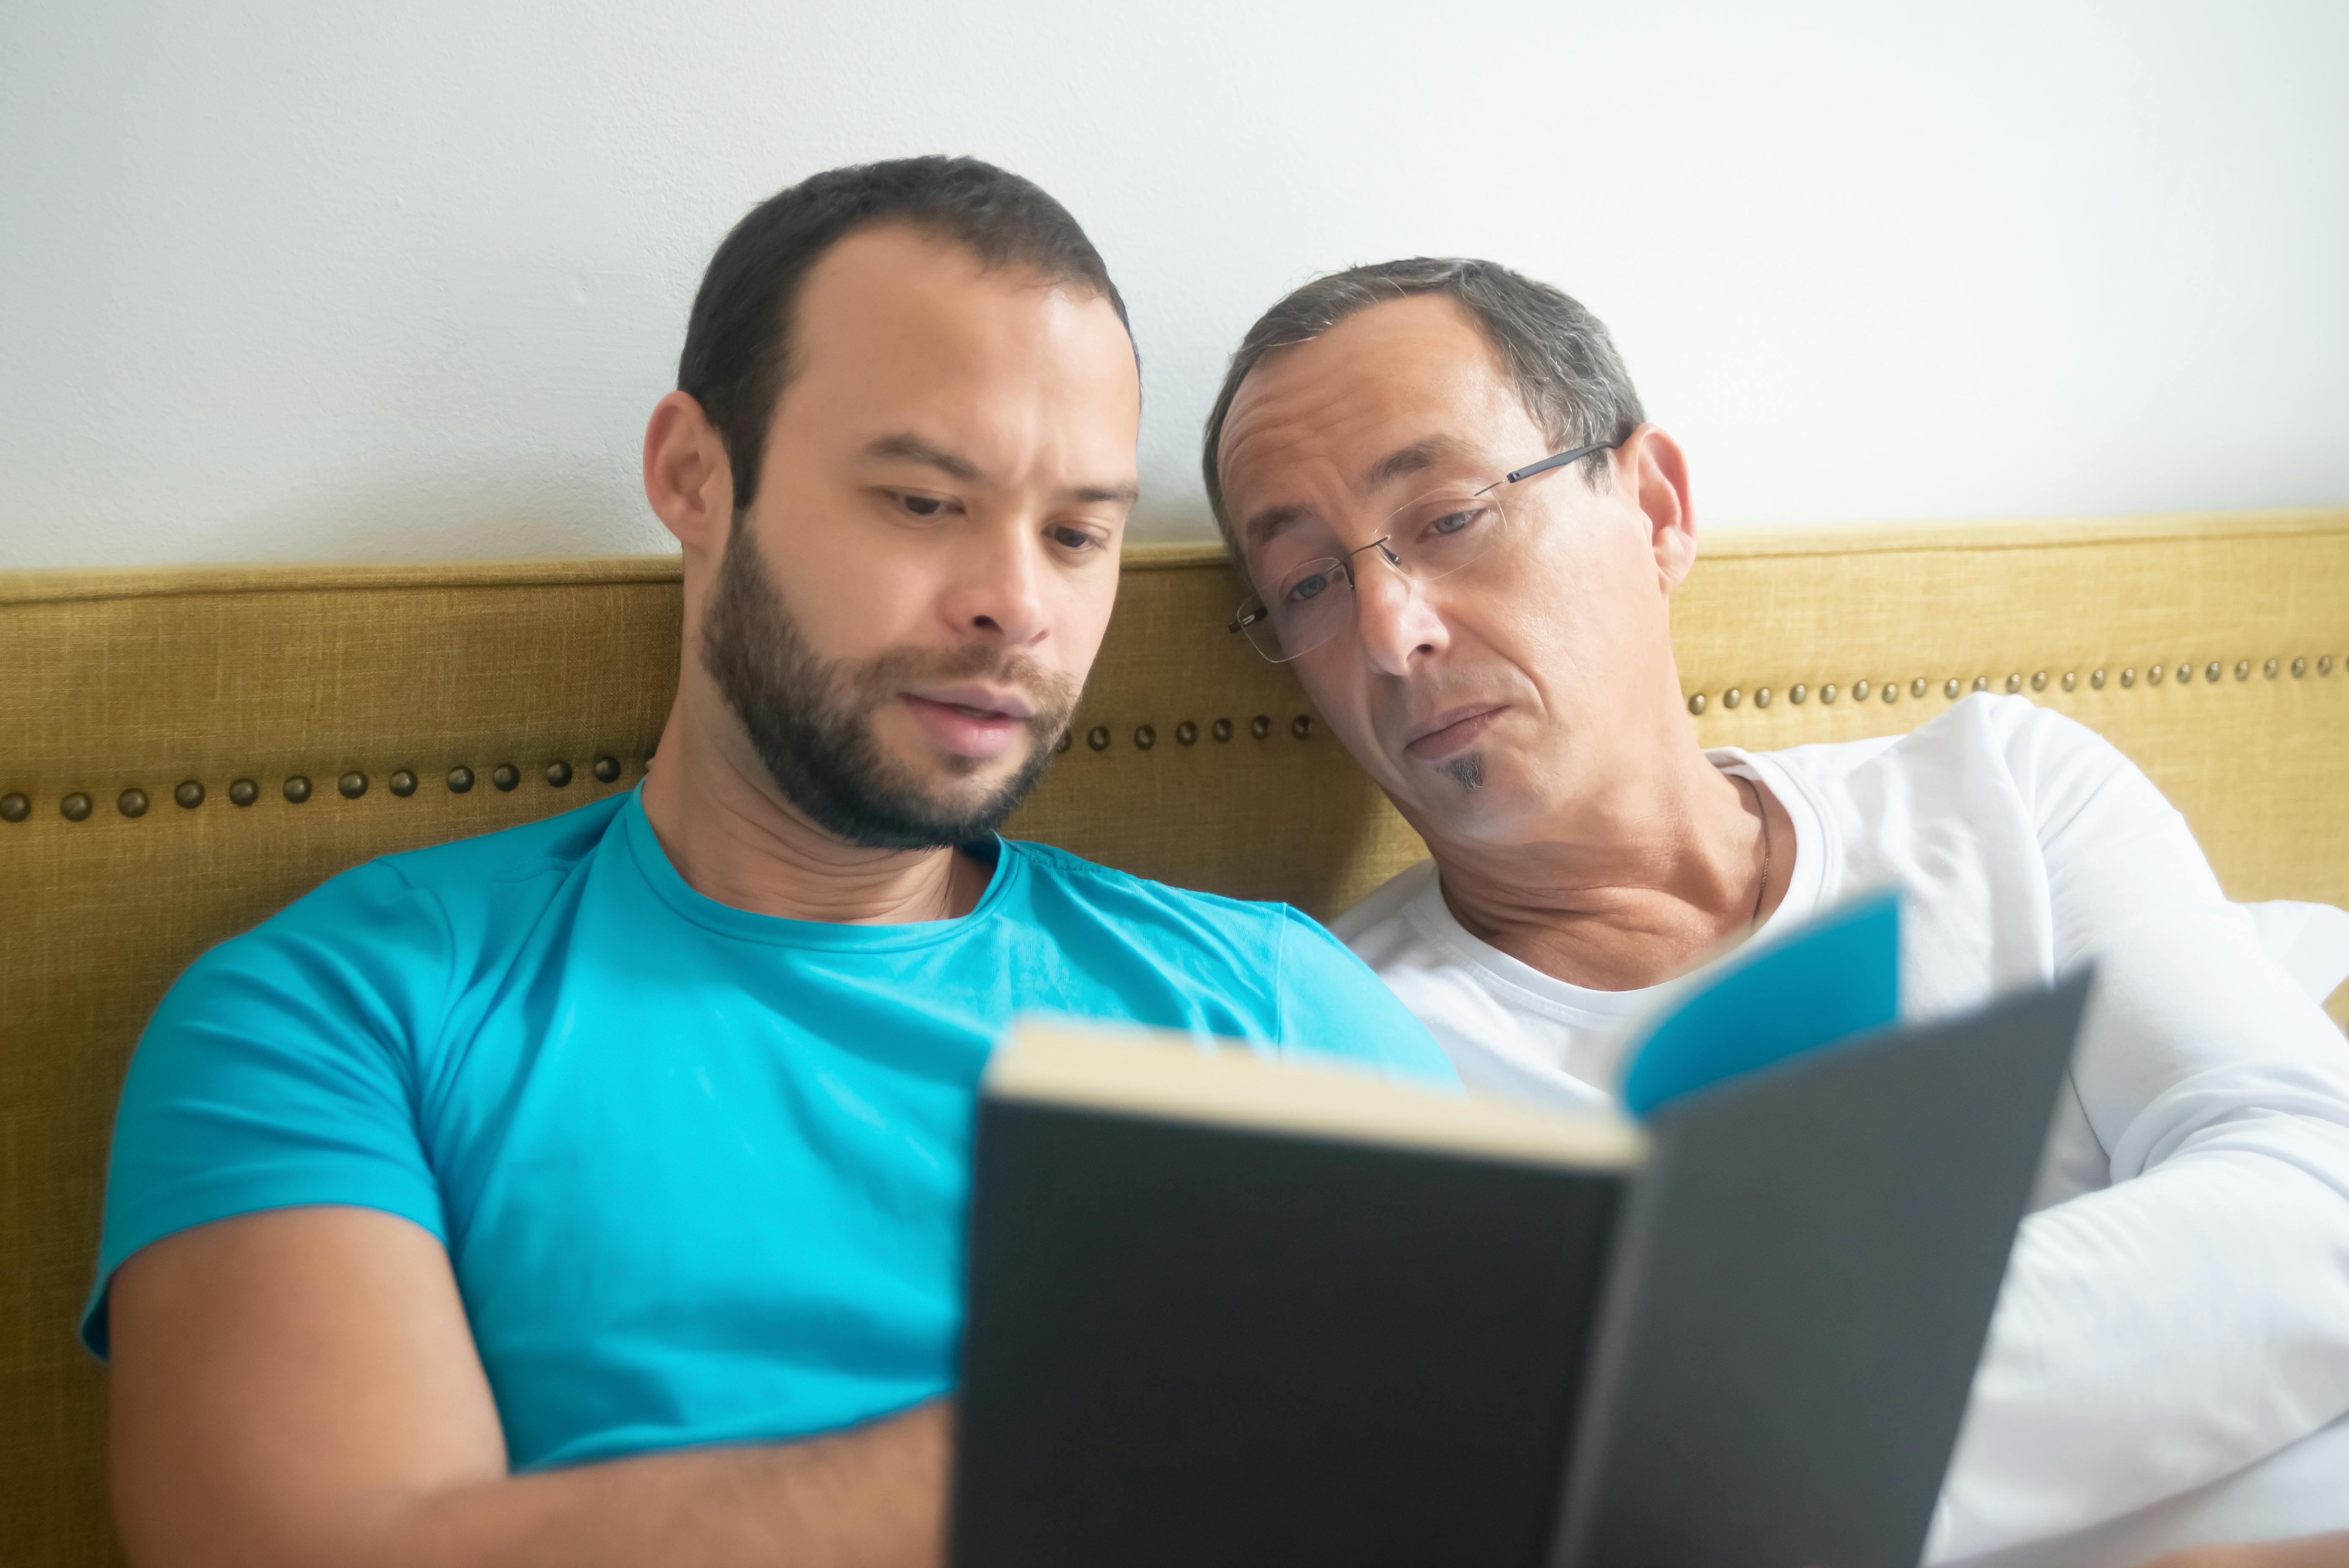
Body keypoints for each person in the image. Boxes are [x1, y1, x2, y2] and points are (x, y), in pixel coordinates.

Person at [91, 158, 1451, 1568]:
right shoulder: (339, 1013)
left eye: (1075, 535)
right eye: (922, 501)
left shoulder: (1275, 1005)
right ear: (694, 476)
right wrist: (1108, 1433)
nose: (1019, 606)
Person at [1200, 258, 2349, 1566]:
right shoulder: (1335, 1051)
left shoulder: (2011, 793)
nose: (1390, 629)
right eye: (1309, 584)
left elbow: (2321, 1199)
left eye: (1453, 515)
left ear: (1655, 509)